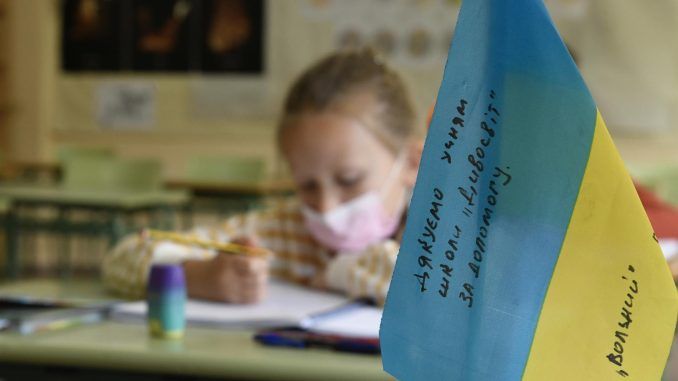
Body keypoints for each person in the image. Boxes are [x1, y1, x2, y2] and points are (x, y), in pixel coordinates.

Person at [102, 49, 423, 304]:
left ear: (410, 163)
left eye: (349, 180)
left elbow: (438, 289)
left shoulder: (444, 229)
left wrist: (342, 271)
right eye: (307, 185)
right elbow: (126, 256)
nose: (326, 207)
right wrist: (198, 277)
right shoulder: (284, 232)